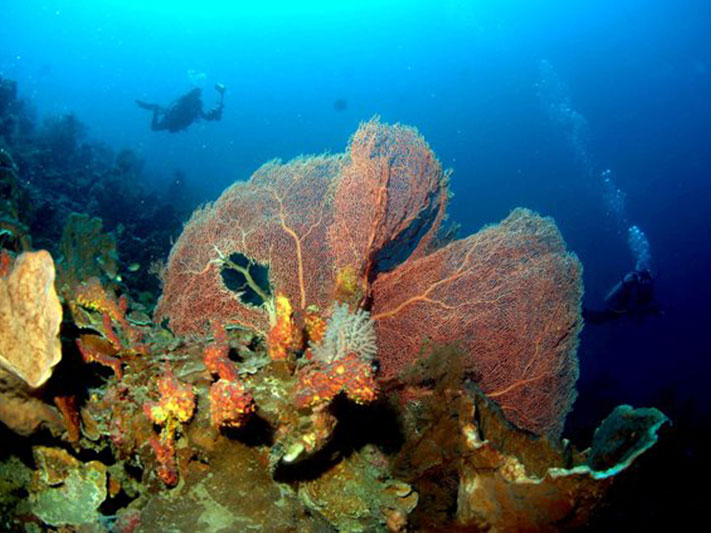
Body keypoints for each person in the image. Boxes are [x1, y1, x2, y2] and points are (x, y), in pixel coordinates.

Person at [136, 83, 225, 133]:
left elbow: (206, 117)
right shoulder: (186, 101)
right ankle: (155, 108)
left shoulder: (196, 104)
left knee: (155, 127)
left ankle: (156, 108)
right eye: (197, 94)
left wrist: (215, 112)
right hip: (173, 121)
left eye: (198, 94)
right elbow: (174, 112)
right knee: (155, 127)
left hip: (176, 123)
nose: (198, 96)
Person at [583, 269, 660, 324]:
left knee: (604, 316)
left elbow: (642, 302)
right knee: (603, 317)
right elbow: (637, 302)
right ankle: (583, 314)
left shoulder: (637, 280)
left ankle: (583, 313)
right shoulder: (640, 284)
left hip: (620, 303)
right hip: (620, 306)